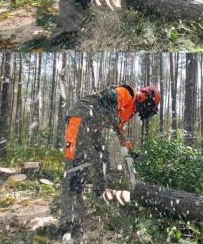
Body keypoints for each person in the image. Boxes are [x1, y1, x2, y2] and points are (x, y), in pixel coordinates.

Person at [59, 83, 161, 240]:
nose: (147, 111)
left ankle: (97, 199)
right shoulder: (127, 93)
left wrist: (128, 149)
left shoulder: (130, 110)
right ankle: (68, 223)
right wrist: (114, 122)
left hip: (94, 126)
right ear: (145, 98)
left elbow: (119, 129)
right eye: (149, 107)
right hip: (81, 116)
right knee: (77, 168)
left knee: (103, 159)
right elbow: (109, 100)